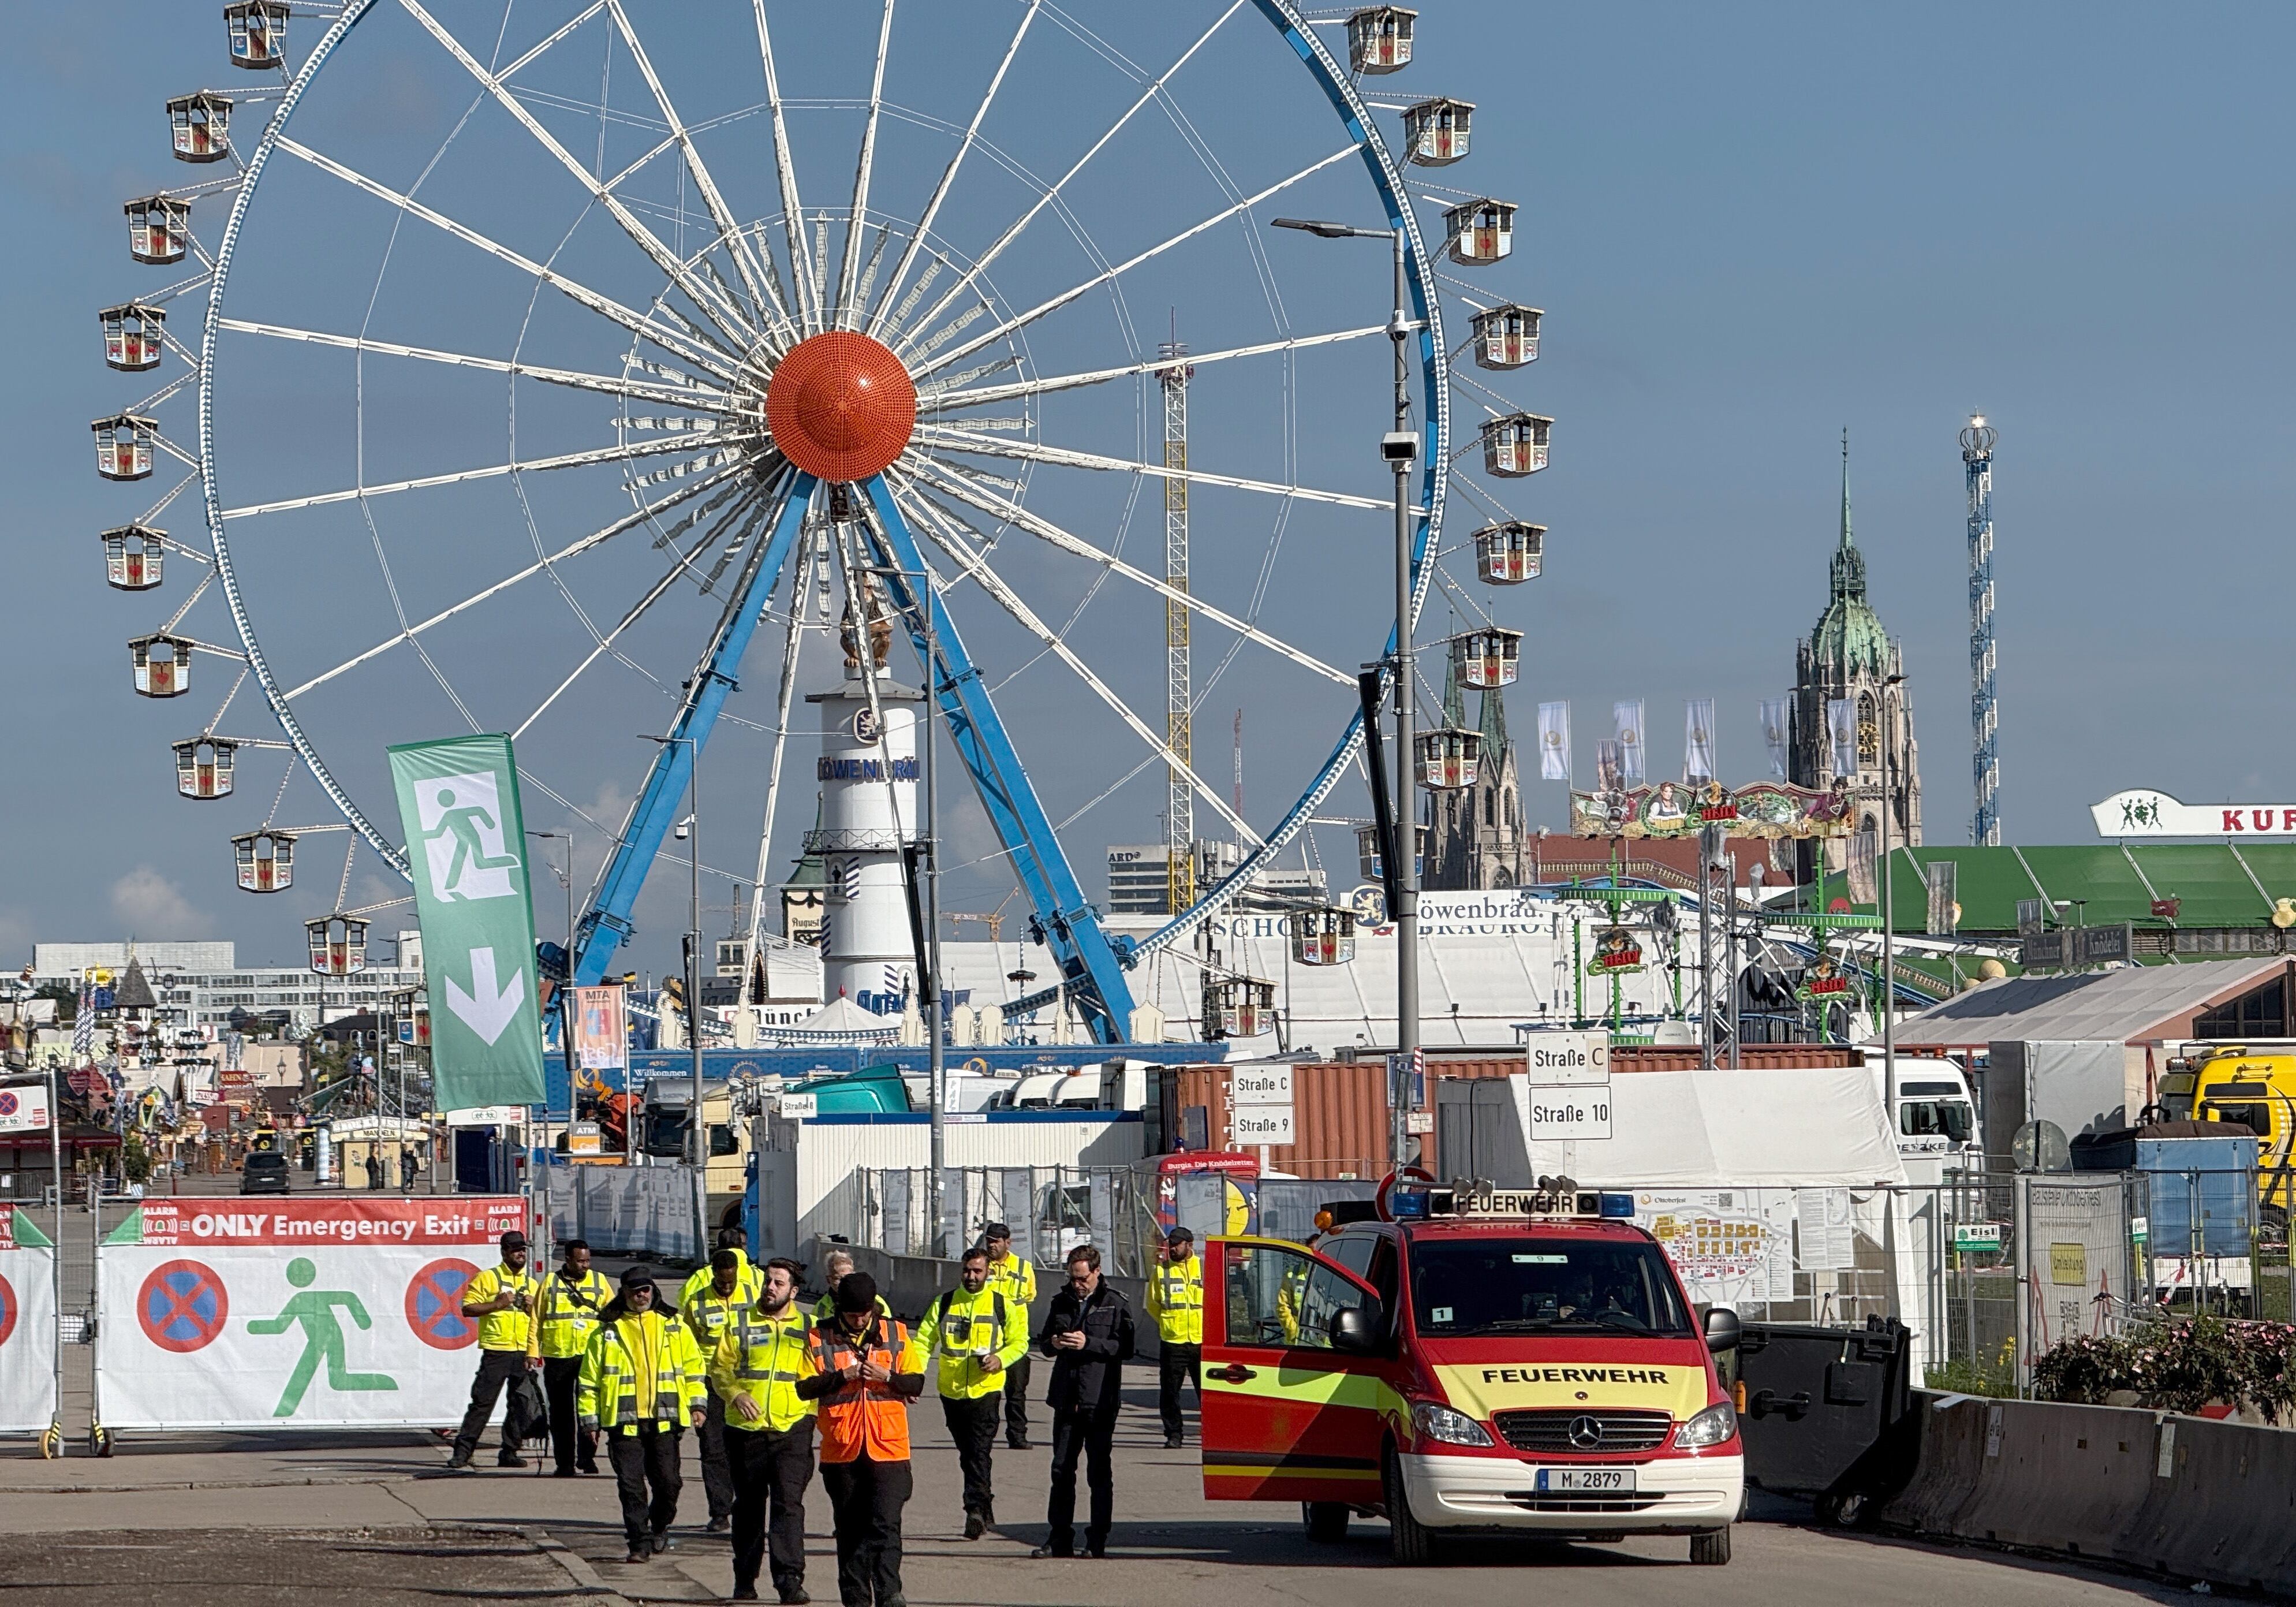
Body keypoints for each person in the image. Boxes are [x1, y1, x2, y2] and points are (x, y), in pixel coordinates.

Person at [797, 1273, 924, 1607]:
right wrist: (842, 1376)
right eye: (853, 1314)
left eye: (865, 1313)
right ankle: (855, 1599)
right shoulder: (818, 1337)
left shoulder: (895, 1333)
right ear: (841, 1309)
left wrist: (889, 1377)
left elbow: (916, 1383)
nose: (859, 1320)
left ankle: (889, 1593)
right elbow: (804, 1388)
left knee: (886, 1523)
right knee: (850, 1530)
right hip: (842, 1449)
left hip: (890, 1448)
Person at [579, 1266, 708, 1566]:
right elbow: (588, 1382)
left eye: (646, 1289)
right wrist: (590, 1421)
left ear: (653, 1290)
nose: (641, 1295)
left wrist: (698, 1406)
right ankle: (638, 1542)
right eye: (635, 1290)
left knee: (669, 1484)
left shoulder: (674, 1326)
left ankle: (658, 1526)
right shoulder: (606, 1332)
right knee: (631, 1487)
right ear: (624, 1293)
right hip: (622, 1424)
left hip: (665, 1421)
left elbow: (694, 1370)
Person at [711, 1256, 819, 1605]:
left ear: (794, 1290)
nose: (770, 1288)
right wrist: (736, 1394)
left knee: (789, 1507)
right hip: (746, 1431)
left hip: (792, 1429)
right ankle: (745, 1579)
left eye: (779, 1284)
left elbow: (820, 1375)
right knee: (748, 1508)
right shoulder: (740, 1322)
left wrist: (812, 1416)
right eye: (768, 1282)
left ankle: (789, 1582)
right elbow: (719, 1369)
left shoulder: (809, 1326)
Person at [1031, 1244, 1134, 1560]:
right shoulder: (1061, 1301)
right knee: (1061, 1470)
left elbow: (1125, 1347)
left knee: (1098, 1473)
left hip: (1099, 1400)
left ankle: (1097, 1538)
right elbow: (1044, 1344)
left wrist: (1089, 1343)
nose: (1078, 1284)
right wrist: (1055, 1342)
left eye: (1083, 1278)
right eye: (1073, 1278)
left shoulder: (1114, 1303)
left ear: (1096, 1272)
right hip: (1066, 1398)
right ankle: (1060, 1536)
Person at [921, 1246, 1029, 1539]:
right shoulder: (945, 1303)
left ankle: (974, 1511)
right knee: (968, 1453)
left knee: (979, 1451)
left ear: (988, 1273)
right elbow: (923, 1341)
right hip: (951, 1392)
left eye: (977, 1271)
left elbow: (1021, 1343)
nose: (971, 1276)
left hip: (987, 1390)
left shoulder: (1002, 1305)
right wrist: (914, 1377)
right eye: (967, 1271)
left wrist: (1000, 1359)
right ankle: (985, 1502)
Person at [683, 1247, 763, 1533]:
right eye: (722, 1282)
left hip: (743, 1382)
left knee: (745, 1448)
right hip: (709, 1382)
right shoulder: (696, 1303)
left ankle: (748, 1507)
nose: (727, 1287)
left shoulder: (752, 1297)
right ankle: (719, 1511)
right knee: (713, 1448)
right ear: (714, 1275)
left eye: (732, 1282)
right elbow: (687, 1345)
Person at [447, 1230, 537, 1471]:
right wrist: (498, 1304)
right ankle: (463, 1452)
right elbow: (468, 1309)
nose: (521, 1254)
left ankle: (510, 1451)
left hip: (522, 1353)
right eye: (516, 1249)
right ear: (504, 1252)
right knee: (482, 1404)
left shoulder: (531, 1284)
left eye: (523, 1249)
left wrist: (533, 1311)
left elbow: (537, 1322)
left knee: (520, 1405)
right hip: (497, 1351)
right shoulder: (488, 1278)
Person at [531, 1239, 613, 1476]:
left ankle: (587, 1458)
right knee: (561, 1414)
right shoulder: (550, 1283)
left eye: (588, 1261)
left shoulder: (599, 1281)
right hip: (558, 1355)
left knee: (589, 1410)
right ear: (567, 1259)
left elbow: (613, 1315)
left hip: (590, 1356)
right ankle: (564, 1463)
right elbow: (536, 1319)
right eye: (580, 1261)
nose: (585, 1266)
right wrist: (532, 1351)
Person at [979, 1223, 1037, 1449]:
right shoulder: (981, 1266)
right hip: (989, 1341)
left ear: (1008, 1243)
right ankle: (986, 1437)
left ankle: (1017, 1435)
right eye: (989, 1241)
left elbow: (1030, 1296)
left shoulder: (1024, 1267)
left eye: (996, 1241)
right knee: (988, 1393)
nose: (992, 1245)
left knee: (1016, 1393)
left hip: (1016, 1342)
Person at [1146, 1228, 1204, 1449]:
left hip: (1201, 1341)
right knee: (1170, 1393)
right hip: (1173, 1341)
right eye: (1171, 1244)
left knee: (1206, 1394)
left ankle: (1208, 1433)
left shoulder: (1204, 1268)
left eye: (1177, 1244)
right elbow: (1153, 1305)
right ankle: (1174, 1434)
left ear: (1189, 1245)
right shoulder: (1161, 1272)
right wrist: (1168, 1324)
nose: (1172, 1248)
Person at [813, 1248, 890, 1325]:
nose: (843, 1283)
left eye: (848, 1277)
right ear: (828, 1280)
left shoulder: (875, 1301)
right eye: (839, 1278)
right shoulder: (821, 1307)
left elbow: (886, 1330)